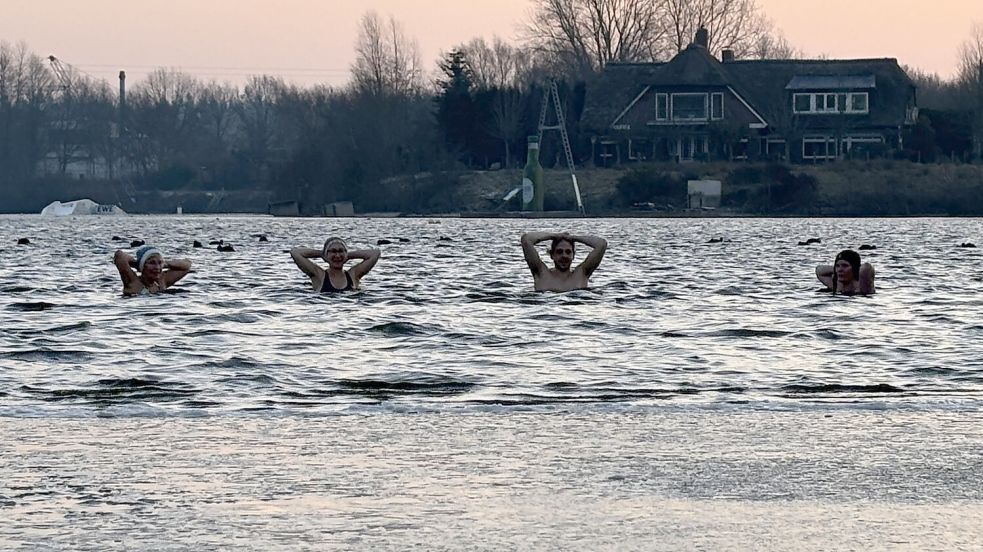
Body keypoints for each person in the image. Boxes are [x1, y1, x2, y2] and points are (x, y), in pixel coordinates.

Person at [520, 231, 607, 292]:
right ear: (552, 255)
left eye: (568, 252)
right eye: (559, 252)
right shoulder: (541, 273)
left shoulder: (582, 273)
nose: (564, 256)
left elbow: (601, 244)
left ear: (573, 255)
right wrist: (553, 236)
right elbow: (526, 239)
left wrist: (574, 238)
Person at [290, 237, 380, 292]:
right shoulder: (319, 275)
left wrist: (347, 256)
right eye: (333, 251)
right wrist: (322, 254)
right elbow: (295, 252)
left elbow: (375, 253)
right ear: (326, 255)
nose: (337, 255)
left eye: (341, 251)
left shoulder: (354, 275)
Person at [113, 245, 192, 296]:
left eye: (159, 263)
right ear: (142, 266)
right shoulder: (133, 282)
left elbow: (187, 265)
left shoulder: (161, 281)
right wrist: (137, 264)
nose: (157, 267)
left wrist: (165, 264)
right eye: (152, 263)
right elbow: (119, 255)